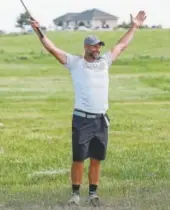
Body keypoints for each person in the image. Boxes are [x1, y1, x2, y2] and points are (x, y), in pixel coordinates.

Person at [30, 11, 146, 206]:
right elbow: (53, 49)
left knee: (96, 158)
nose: (97, 49)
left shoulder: (104, 63)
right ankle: (75, 194)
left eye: (99, 46)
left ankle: (93, 193)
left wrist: (134, 27)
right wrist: (38, 31)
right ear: (86, 47)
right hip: (82, 119)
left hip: (101, 120)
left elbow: (121, 45)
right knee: (78, 159)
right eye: (94, 46)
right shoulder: (76, 63)